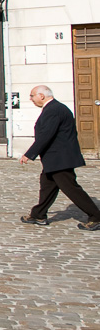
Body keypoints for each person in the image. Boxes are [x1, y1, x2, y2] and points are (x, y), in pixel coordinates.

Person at [19, 85, 100, 230]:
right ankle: (38, 214)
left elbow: (46, 135)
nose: (30, 99)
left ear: (41, 96)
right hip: (55, 159)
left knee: (72, 189)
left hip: (60, 159)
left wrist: (29, 154)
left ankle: (96, 217)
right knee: (47, 186)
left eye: (32, 96)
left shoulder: (54, 110)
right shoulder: (54, 108)